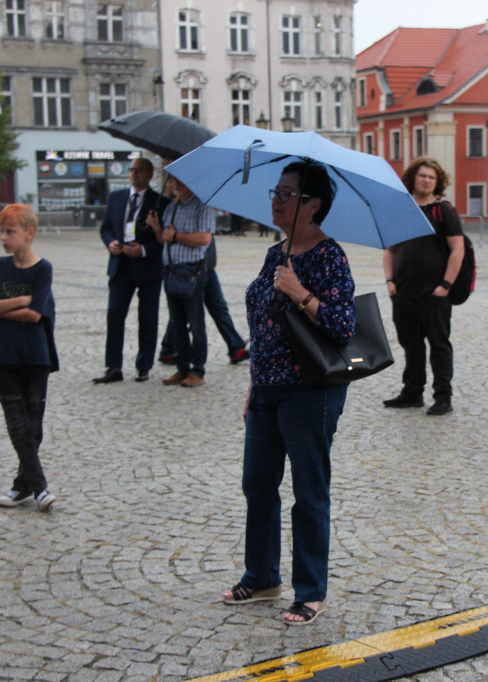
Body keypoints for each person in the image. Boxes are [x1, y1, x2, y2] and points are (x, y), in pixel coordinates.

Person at [220, 159, 354, 626]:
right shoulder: (275, 253)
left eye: (286, 193)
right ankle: (261, 576)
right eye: (274, 192)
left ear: (313, 205)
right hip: (267, 391)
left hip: (309, 392)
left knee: (309, 491)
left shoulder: (329, 256)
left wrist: (300, 292)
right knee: (257, 485)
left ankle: (310, 590)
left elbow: (342, 325)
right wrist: (253, 384)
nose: (275, 200)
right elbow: (262, 326)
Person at [0, 205, 58, 511]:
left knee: (33, 425)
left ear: (29, 233)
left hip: (37, 355)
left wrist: (4, 308)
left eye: (10, 232)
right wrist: (18, 301)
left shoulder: (43, 269)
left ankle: (21, 487)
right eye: (2, 232)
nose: (4, 238)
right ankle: (38, 488)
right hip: (5, 353)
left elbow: (35, 313)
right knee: (16, 423)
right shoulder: (0, 267)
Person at [382, 156, 465, 416]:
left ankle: (443, 396)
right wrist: (390, 281)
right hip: (404, 291)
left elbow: (457, 250)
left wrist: (446, 285)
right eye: (422, 175)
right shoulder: (402, 209)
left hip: (434, 292)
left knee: (439, 345)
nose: (427, 180)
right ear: (413, 178)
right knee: (411, 344)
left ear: (437, 181)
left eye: (432, 177)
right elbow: (389, 249)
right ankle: (412, 392)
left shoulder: (444, 211)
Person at [93, 157, 171, 384]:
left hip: (147, 269)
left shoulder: (160, 202)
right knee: (114, 314)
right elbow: (106, 227)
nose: (134, 174)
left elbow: (163, 239)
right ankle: (113, 366)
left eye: (139, 170)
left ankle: (144, 365)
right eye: (132, 170)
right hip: (120, 267)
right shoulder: (116, 198)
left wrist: (144, 250)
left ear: (149, 175)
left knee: (147, 317)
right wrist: (110, 243)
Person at [145, 174, 214, 388]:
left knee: (195, 323)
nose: (176, 184)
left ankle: (197, 369)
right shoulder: (171, 208)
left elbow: (204, 239)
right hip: (171, 270)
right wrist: (157, 228)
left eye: (180, 181)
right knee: (177, 324)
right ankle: (182, 367)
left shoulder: (202, 206)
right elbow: (164, 239)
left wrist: (176, 236)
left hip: (192, 270)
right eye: (174, 181)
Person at [158, 235, 249, 366]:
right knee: (185, 313)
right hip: (192, 270)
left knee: (219, 309)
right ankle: (169, 348)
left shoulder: (206, 217)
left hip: (208, 268)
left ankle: (235, 347)